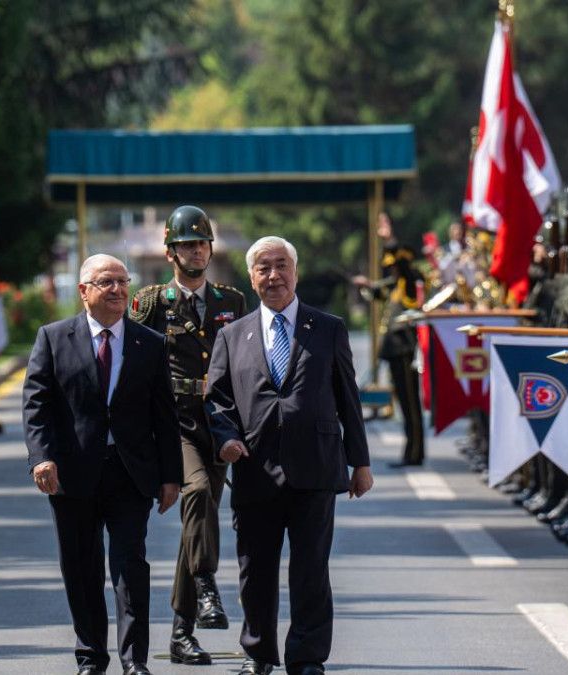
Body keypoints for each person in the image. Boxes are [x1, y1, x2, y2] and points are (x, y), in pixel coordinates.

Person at [206, 236, 373, 675]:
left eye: (281, 265)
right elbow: (217, 400)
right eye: (264, 268)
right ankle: (258, 653)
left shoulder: (328, 328)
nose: (274, 275)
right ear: (252, 277)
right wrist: (225, 439)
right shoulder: (231, 335)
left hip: (315, 465)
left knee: (311, 569)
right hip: (254, 467)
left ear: (295, 272)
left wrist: (360, 462)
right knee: (255, 570)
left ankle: (307, 656)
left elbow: (348, 397)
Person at [23, 254, 182, 675]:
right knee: (81, 568)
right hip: (72, 474)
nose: (117, 289)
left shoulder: (149, 343)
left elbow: (164, 416)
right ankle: (91, 656)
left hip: (130, 474)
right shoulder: (53, 338)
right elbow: (36, 406)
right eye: (106, 282)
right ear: (84, 291)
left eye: (122, 281)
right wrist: (42, 458)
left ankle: (134, 660)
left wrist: (171, 476)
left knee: (130, 566)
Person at [129, 205, 246, 665]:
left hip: (217, 424)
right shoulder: (151, 303)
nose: (196, 251)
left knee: (196, 526)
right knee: (195, 493)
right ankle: (206, 583)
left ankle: (181, 634)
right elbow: (134, 366)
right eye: (186, 245)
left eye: (201, 243)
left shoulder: (231, 302)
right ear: (170, 252)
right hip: (174, 424)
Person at [352, 212, 425, 467]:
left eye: (394, 264)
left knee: (411, 404)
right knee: (404, 403)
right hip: (395, 351)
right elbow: (378, 290)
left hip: (405, 350)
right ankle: (411, 452)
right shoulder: (395, 285)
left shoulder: (410, 281)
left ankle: (414, 453)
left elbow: (403, 271)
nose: (391, 268)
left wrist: (390, 238)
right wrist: (365, 284)